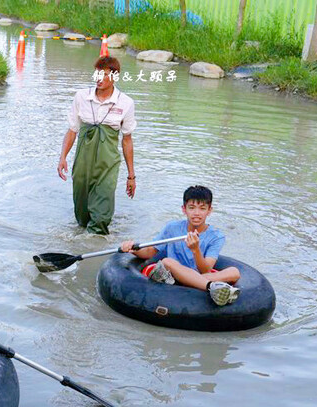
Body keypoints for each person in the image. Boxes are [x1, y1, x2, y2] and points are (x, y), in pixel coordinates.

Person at [119, 185, 241, 306]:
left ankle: (191, 282)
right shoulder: (172, 227)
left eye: (202, 208)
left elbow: (206, 269)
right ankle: (211, 287)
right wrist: (132, 248)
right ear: (184, 209)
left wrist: (195, 250)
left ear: (209, 210)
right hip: (174, 273)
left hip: (201, 274)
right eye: (191, 208)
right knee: (167, 261)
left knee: (234, 272)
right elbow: (150, 252)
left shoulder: (217, 236)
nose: (196, 213)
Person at [57, 55, 137, 235]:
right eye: (97, 73)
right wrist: (62, 157)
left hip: (107, 165)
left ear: (115, 77)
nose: (99, 78)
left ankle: (96, 249)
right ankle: (81, 247)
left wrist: (131, 176)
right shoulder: (81, 97)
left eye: (105, 75)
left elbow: (127, 140)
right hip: (82, 164)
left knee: (100, 218)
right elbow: (72, 130)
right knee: (82, 218)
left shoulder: (126, 103)